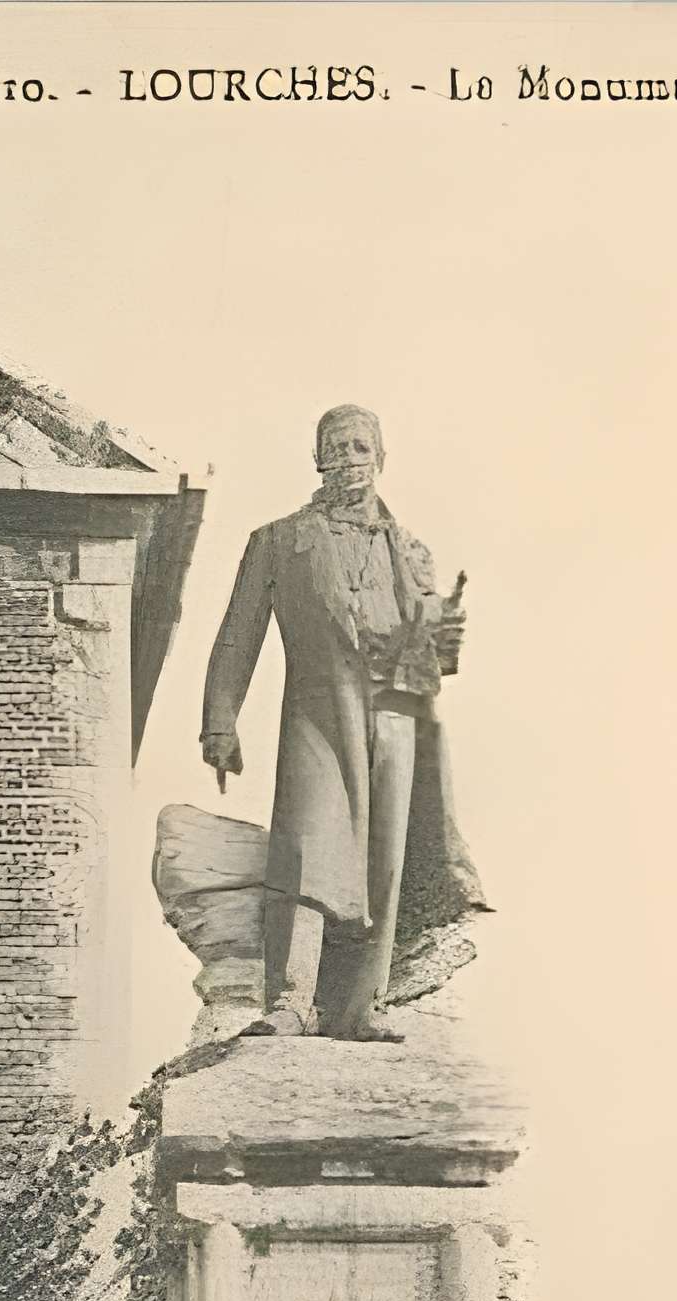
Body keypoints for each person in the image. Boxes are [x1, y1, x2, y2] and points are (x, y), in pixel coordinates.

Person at [201, 404, 489, 1041]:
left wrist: (446, 634)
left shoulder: (411, 551)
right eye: (337, 446)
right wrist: (219, 722)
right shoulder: (277, 541)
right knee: (305, 851)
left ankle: (362, 1007)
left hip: (393, 717)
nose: (350, 457)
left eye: (362, 447)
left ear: (381, 458)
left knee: (384, 862)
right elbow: (236, 637)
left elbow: (433, 660)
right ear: (317, 458)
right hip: (315, 712)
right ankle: (291, 1001)